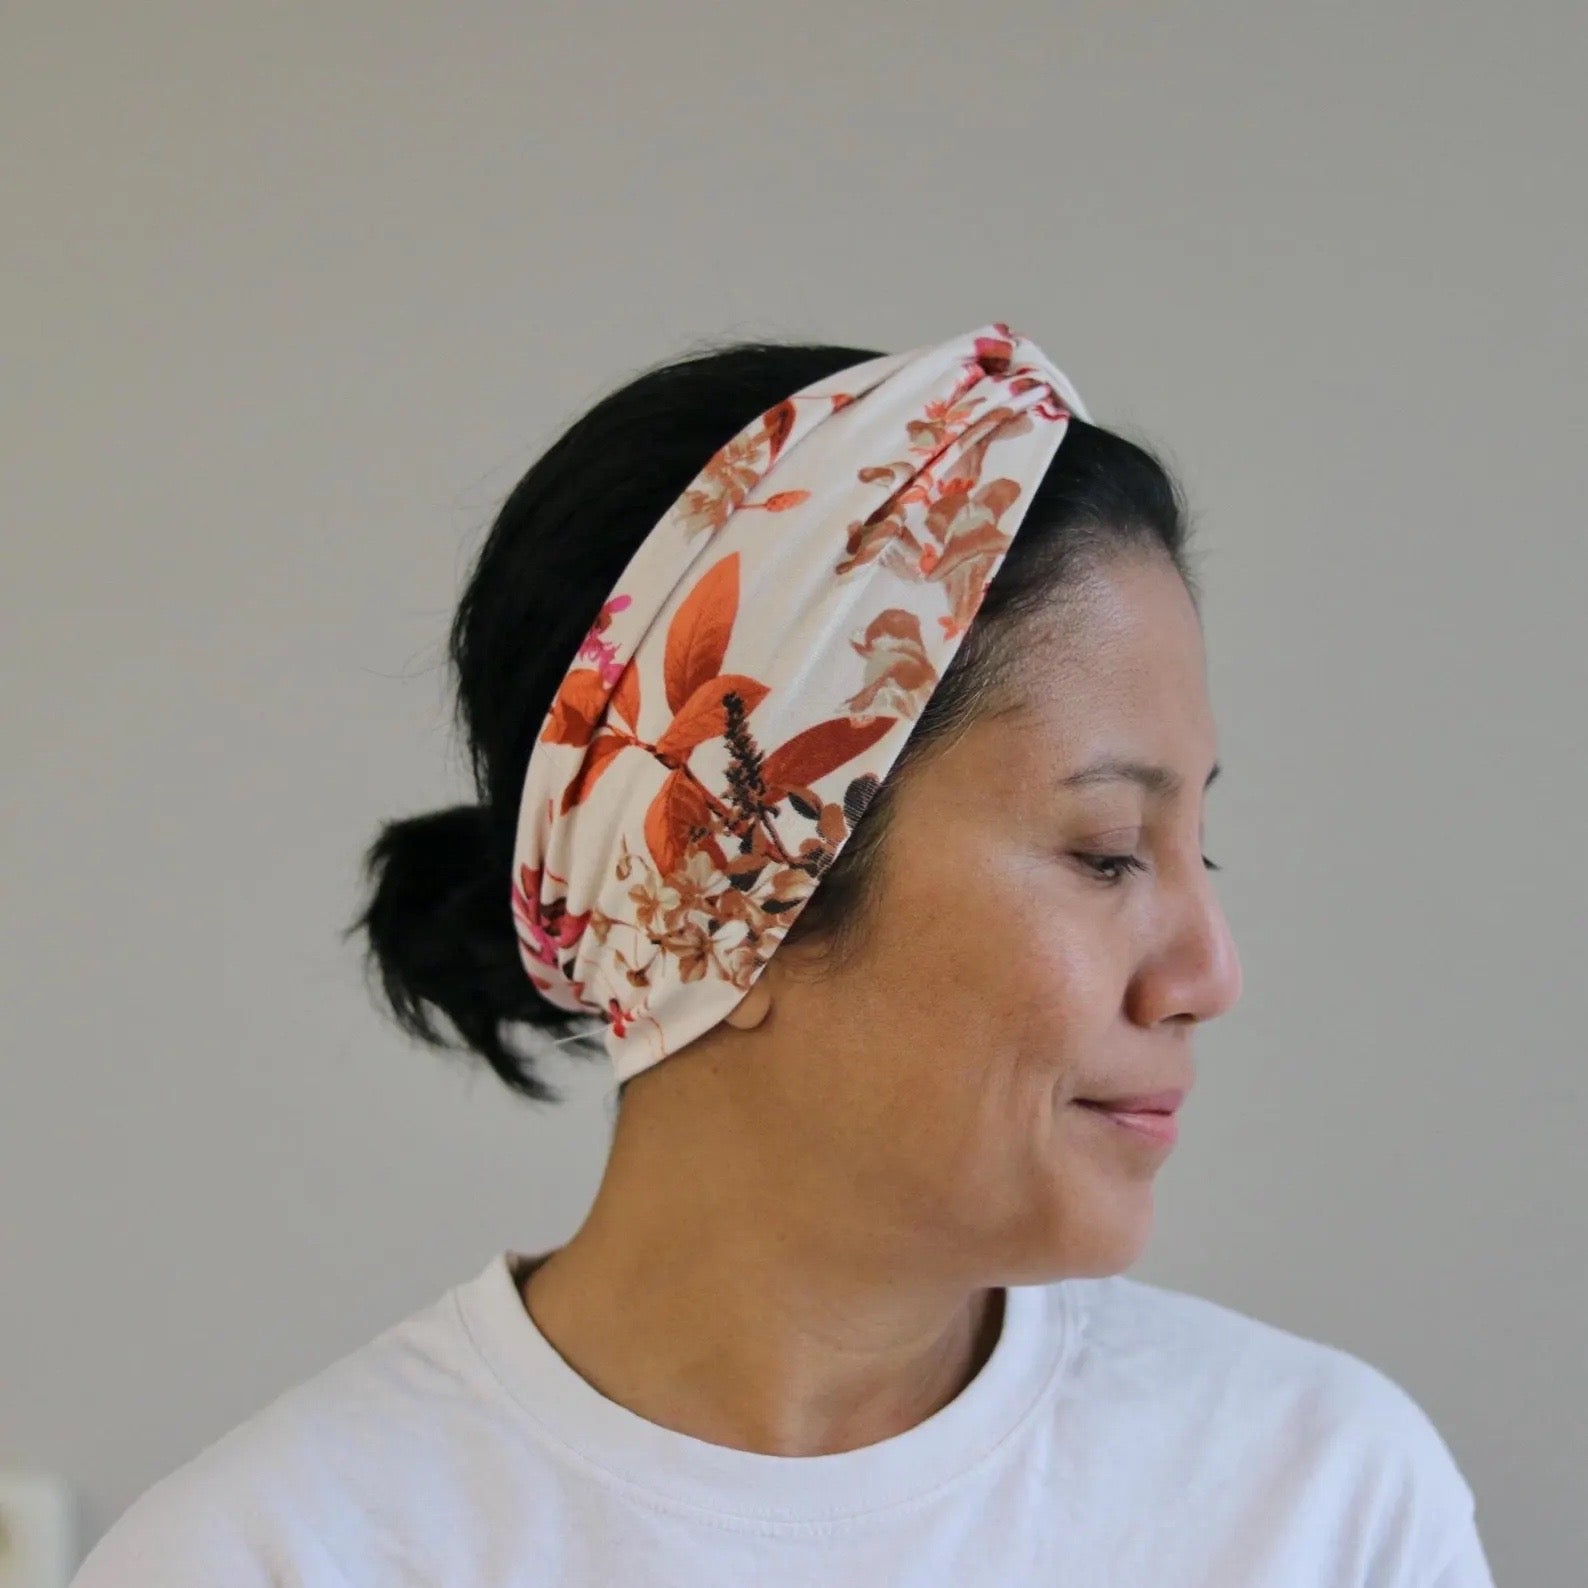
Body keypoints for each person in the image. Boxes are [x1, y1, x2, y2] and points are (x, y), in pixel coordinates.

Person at [72, 323, 1495, 1585]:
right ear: (725, 884)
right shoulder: (271, 1557)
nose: (1207, 971)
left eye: (1201, 849)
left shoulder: (1320, 1506)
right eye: (1108, 850)